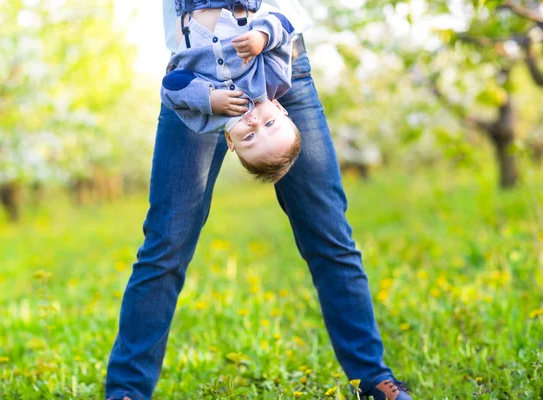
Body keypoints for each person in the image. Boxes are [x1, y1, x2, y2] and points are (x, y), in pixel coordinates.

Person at [105, 1, 413, 399]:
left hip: (278, 65)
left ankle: (373, 380)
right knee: (166, 244)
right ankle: (127, 392)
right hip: (196, 77)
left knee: (329, 235)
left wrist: (266, 35)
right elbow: (173, 88)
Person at [160, 6, 301, 182]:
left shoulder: (204, 120)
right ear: (279, 107)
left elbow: (169, 86)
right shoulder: (273, 79)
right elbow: (284, 24)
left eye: (249, 137)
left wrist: (208, 99)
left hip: (191, 7)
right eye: (270, 123)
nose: (255, 123)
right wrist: (262, 37)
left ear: (230, 141)